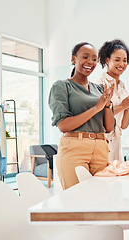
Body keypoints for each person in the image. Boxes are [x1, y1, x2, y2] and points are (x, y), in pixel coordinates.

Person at [48, 42, 115, 190]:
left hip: (100, 148)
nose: (90, 62)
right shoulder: (62, 86)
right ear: (74, 59)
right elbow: (63, 125)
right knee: (76, 200)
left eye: (94, 59)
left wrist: (108, 104)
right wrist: (97, 108)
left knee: (101, 198)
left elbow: (109, 127)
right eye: (85, 57)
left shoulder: (99, 89)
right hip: (74, 148)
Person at [97, 39, 129, 162]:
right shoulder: (99, 83)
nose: (122, 64)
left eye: (125, 60)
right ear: (107, 60)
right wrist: (124, 104)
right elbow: (98, 115)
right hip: (102, 141)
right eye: (117, 60)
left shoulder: (122, 88)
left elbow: (124, 125)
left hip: (116, 143)